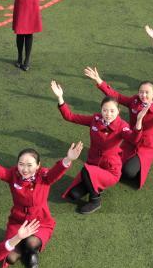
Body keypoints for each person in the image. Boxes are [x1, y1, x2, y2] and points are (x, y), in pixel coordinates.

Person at [0, 138, 82, 268]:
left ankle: (30, 250)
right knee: (10, 258)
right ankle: (25, 249)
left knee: (32, 243)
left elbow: (57, 171)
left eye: (29, 165)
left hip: (40, 220)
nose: (24, 169)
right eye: (21, 164)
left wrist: (68, 159)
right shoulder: (13, 175)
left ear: (38, 165)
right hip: (18, 221)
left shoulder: (44, 176)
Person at [83, 67, 153, 188]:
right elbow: (117, 96)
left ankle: (139, 164)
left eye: (147, 92)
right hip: (130, 139)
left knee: (128, 173)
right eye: (141, 92)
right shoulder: (134, 101)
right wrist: (99, 81)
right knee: (113, 167)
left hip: (145, 144)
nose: (143, 95)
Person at [52, 80, 145, 214]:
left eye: (112, 111)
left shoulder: (122, 126)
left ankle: (95, 200)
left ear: (118, 111)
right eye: (105, 110)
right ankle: (95, 184)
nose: (108, 114)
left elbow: (134, 139)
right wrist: (60, 98)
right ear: (101, 110)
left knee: (86, 171)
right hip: (93, 165)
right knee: (74, 195)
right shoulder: (95, 120)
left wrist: (139, 123)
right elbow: (70, 117)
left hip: (110, 170)